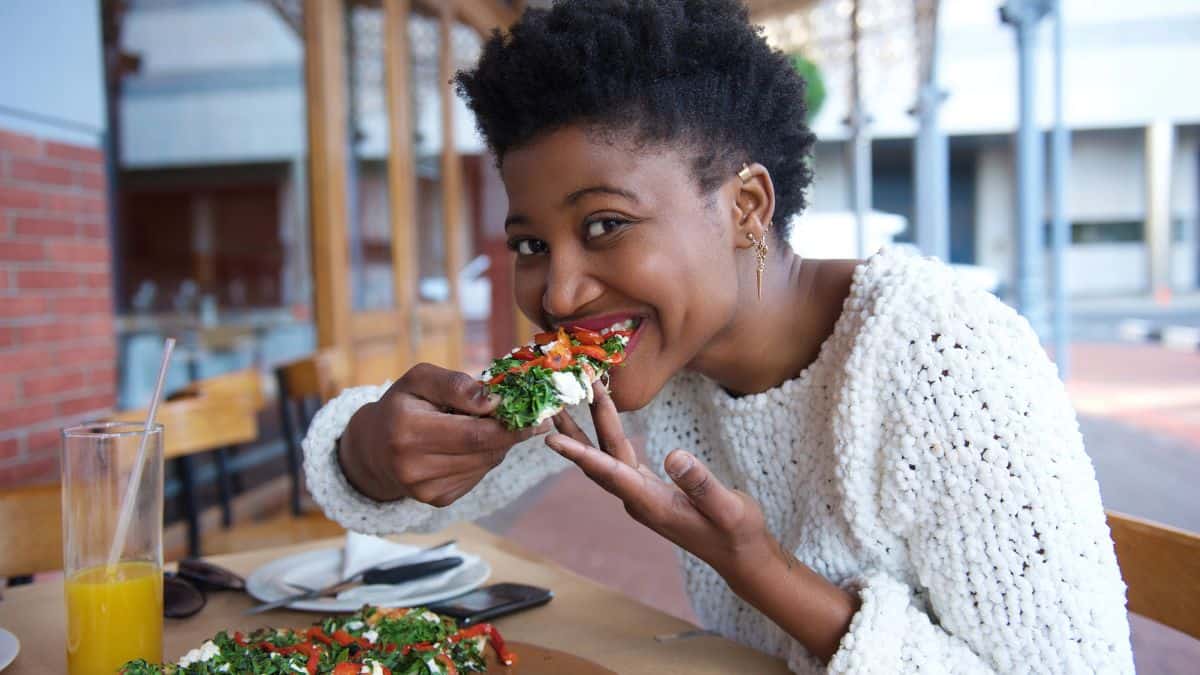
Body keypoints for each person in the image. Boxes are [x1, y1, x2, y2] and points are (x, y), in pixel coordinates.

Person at [302, 1, 1133, 672]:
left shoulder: (944, 356)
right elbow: (399, 492)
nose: (556, 290)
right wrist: (373, 451)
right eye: (529, 244)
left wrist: (762, 571)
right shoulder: (644, 351)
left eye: (604, 225)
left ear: (746, 208)